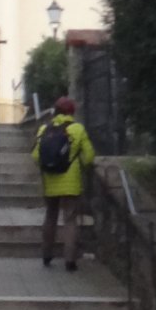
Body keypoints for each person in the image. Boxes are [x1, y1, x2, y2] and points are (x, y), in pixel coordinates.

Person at [33, 96, 95, 270]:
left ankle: (46, 255)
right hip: (71, 181)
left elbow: (36, 156)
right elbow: (89, 157)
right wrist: (79, 161)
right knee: (70, 219)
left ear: (56, 111)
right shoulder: (77, 129)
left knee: (50, 216)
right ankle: (70, 260)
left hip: (50, 180)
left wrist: (49, 166)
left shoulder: (44, 129)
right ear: (72, 112)